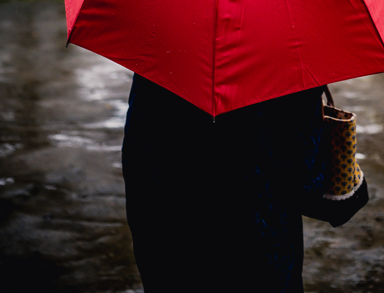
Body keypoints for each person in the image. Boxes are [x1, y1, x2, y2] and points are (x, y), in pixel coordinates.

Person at [122, 74, 325, 292]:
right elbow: (307, 179)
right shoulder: (286, 61)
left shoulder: (158, 62)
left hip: (167, 233)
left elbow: (137, 158)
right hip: (256, 243)